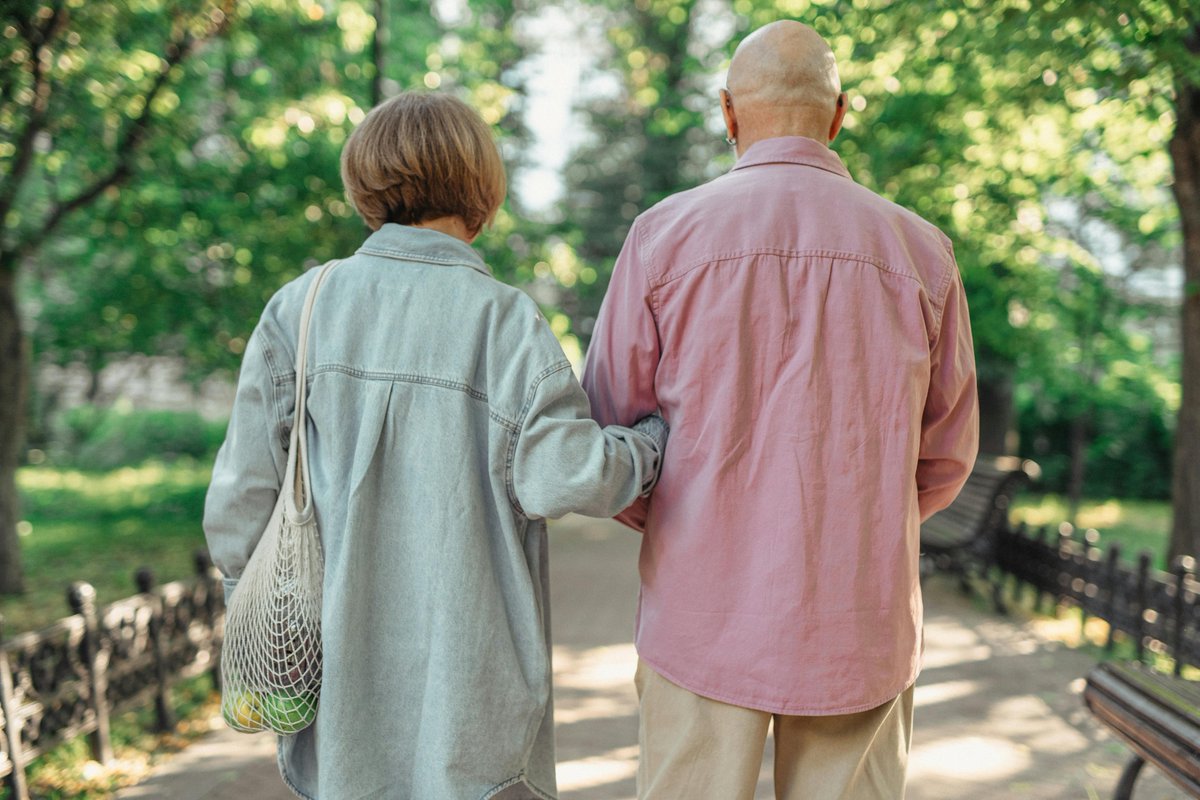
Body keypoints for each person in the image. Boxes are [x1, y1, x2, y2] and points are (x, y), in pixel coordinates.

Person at [204, 91, 667, 800]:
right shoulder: (505, 322)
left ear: (365, 185)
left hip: (334, 678)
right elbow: (566, 477)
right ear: (481, 189)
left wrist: (260, 618)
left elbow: (241, 501)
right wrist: (650, 444)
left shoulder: (302, 308)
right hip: (470, 682)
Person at [581, 19, 979, 800]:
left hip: (702, 612)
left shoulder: (662, 237)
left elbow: (611, 435)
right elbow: (945, 456)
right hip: (860, 617)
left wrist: (686, 522)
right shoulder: (922, 251)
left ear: (728, 114)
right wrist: (858, 523)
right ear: (839, 116)